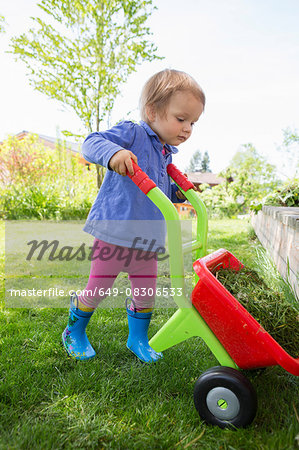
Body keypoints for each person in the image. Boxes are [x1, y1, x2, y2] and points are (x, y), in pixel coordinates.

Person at [62, 69, 205, 363]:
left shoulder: (166, 154)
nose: (188, 128)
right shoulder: (133, 134)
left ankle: (137, 339)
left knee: (145, 293)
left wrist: (180, 193)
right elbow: (91, 142)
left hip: (147, 240)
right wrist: (114, 155)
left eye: (193, 122)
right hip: (114, 233)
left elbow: (159, 193)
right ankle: (73, 332)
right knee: (98, 289)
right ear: (152, 111)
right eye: (181, 119)